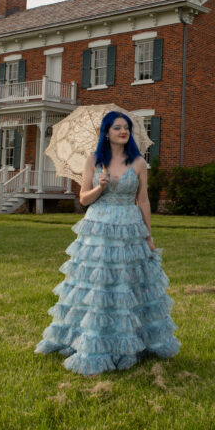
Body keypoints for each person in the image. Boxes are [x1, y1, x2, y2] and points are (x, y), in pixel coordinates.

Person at [35, 112, 180, 375]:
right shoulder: (93, 161)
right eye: (117, 127)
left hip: (128, 228)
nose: (123, 131)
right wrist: (99, 187)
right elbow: (83, 200)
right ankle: (91, 340)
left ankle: (133, 341)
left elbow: (143, 200)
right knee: (98, 286)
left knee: (127, 284)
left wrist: (148, 235)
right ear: (106, 132)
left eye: (126, 128)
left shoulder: (138, 162)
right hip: (98, 229)